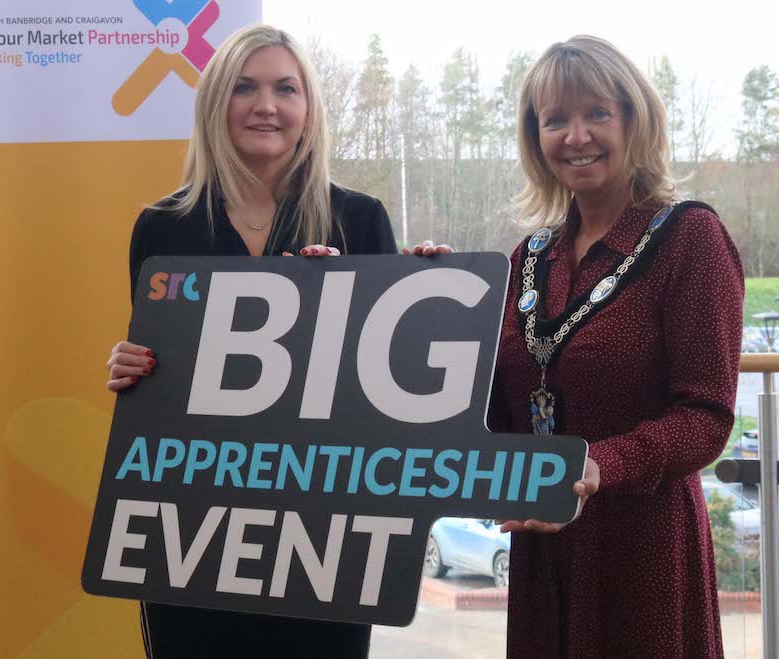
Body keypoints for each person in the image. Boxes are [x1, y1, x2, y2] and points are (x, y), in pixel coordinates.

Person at [104, 24, 447, 659]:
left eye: (286, 88)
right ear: (215, 105)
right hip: (192, 530)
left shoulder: (359, 218)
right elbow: (163, 378)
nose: (267, 105)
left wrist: (426, 296)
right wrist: (132, 366)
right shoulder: (163, 225)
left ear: (308, 108)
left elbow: (388, 392)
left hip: (326, 532)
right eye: (245, 87)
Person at [490, 35, 744, 657]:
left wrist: (599, 465)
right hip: (542, 548)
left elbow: (705, 417)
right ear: (537, 138)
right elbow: (497, 413)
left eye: (597, 113)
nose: (575, 136)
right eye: (555, 120)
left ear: (635, 121)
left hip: (642, 549)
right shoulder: (529, 259)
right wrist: (434, 302)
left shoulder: (691, 239)